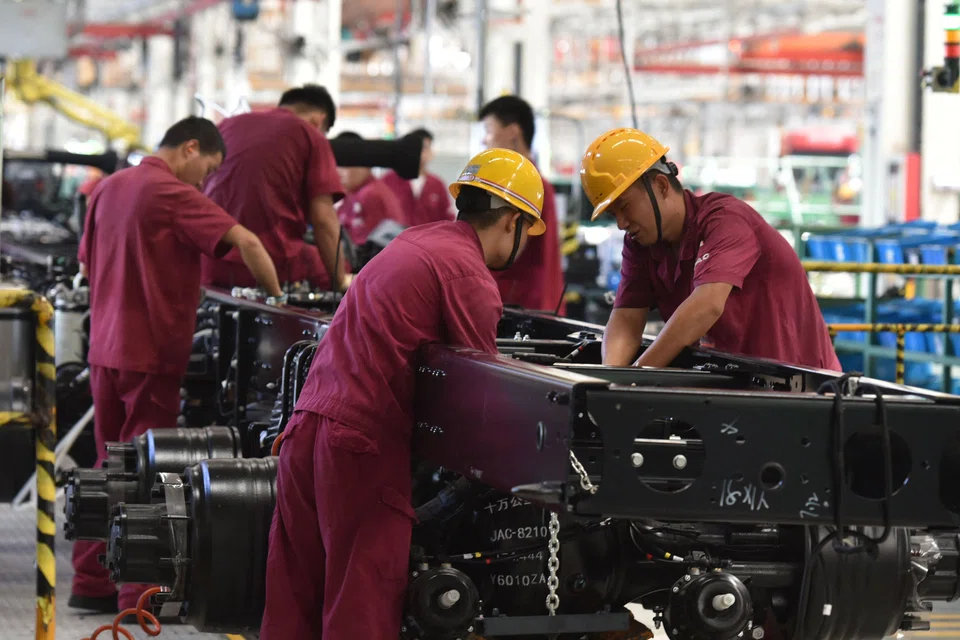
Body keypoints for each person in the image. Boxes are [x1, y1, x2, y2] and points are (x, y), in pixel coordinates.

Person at [259, 148, 547, 639]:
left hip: (307, 426)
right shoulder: (468, 274)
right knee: (362, 599)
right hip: (360, 445)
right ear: (513, 220)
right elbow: (481, 396)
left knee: (294, 594)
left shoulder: (418, 242)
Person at [70, 116, 282, 614]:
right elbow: (248, 242)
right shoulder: (171, 192)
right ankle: (134, 594)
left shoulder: (108, 188)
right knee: (147, 472)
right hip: (151, 351)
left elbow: (85, 265)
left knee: (107, 464)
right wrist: (278, 301)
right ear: (190, 148)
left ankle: (90, 581)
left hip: (104, 349)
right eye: (207, 169)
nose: (204, 182)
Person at [581, 127, 842, 371]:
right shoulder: (641, 244)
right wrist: (608, 380)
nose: (621, 223)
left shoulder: (726, 221)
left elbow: (706, 306)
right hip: (735, 385)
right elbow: (627, 319)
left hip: (805, 389)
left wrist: (635, 378)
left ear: (660, 186)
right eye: (613, 213)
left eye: (624, 206)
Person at [200, 84, 349, 291]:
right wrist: (340, 280)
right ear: (319, 120)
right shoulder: (311, 135)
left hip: (207, 261)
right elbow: (324, 220)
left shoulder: (227, 125)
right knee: (341, 269)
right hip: (267, 263)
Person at [479, 95, 566, 314]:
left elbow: (497, 254)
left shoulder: (521, 186)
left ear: (512, 132)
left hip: (519, 309)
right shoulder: (539, 183)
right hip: (535, 306)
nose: (484, 140)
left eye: (489, 130)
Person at [334, 131, 407, 246]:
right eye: (336, 165)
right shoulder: (354, 193)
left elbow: (368, 251)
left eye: (344, 165)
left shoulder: (370, 195)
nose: (338, 172)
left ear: (366, 164)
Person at [381, 128, 455, 227]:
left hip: (428, 240)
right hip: (396, 239)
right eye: (417, 148)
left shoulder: (437, 184)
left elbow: (447, 219)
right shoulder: (388, 181)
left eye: (426, 148)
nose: (422, 152)